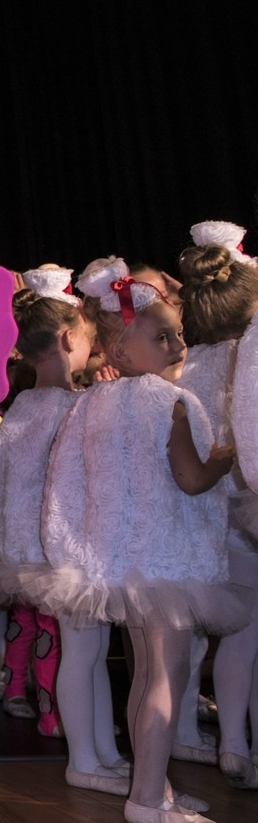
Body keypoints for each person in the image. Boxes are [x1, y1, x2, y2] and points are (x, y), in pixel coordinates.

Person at [38, 257, 240, 823]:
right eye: (163, 338)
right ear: (121, 352)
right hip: (168, 559)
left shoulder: (91, 403)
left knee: (147, 673)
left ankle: (152, 785)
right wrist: (226, 455)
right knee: (164, 676)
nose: (178, 345)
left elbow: (66, 482)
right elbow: (191, 479)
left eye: (178, 334)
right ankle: (149, 798)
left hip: (122, 561)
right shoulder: (168, 401)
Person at [0, 268, 90, 748]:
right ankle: (52, 711)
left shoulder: (20, 406)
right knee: (53, 630)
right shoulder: (73, 407)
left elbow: (1, 479)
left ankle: (20, 689)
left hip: (21, 541)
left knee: (31, 619)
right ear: (68, 338)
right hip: (56, 542)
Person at [175, 229, 258, 789]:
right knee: (247, 632)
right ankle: (237, 744)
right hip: (244, 506)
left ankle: (228, 741)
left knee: (221, 631)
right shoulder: (249, 352)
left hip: (205, 512)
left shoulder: (190, 364)